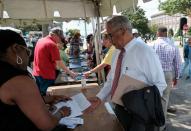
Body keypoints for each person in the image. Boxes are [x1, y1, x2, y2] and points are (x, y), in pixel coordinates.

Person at [87, 16, 167, 131]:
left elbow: (160, 84)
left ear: (122, 31)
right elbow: (111, 80)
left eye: (110, 35)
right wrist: (99, 98)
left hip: (139, 115)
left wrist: (142, 108)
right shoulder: (117, 52)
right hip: (120, 109)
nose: (109, 39)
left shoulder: (144, 51)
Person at [0, 29, 71, 131]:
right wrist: (62, 112)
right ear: (16, 48)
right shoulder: (18, 81)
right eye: (27, 52)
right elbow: (47, 125)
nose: (28, 57)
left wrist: (48, 99)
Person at [33, 27, 77, 96]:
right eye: (60, 38)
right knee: (47, 97)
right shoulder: (52, 44)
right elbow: (59, 62)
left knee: (40, 96)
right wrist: (70, 73)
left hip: (37, 73)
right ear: (54, 35)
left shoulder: (40, 40)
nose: (60, 40)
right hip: (46, 75)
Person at [153, 27, 181, 129]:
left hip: (155, 73)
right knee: (164, 99)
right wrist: (176, 77)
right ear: (165, 33)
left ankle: (154, 121)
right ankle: (161, 125)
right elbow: (177, 63)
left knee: (154, 98)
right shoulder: (172, 45)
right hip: (167, 74)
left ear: (159, 33)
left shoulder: (153, 44)